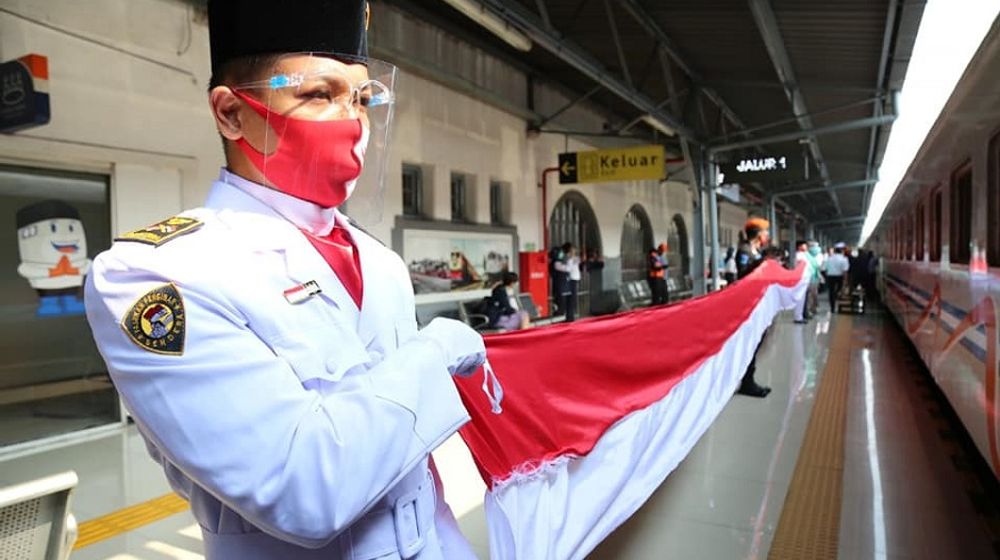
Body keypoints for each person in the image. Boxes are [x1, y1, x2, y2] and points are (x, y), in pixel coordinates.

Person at [83, 2, 485, 558]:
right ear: (230, 114)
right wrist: (434, 352)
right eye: (318, 95)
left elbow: (415, 477)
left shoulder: (378, 261)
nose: (352, 120)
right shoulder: (158, 275)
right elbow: (306, 491)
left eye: (363, 98)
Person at [734, 217, 773, 398]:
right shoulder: (744, 250)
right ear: (758, 234)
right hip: (745, 303)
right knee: (750, 342)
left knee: (756, 342)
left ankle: (749, 379)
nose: (767, 236)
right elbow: (743, 273)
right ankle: (747, 382)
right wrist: (759, 263)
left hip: (756, 301)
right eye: (765, 233)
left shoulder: (756, 250)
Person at [554, 242, 581, 321]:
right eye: (572, 249)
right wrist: (569, 259)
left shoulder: (574, 258)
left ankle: (570, 316)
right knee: (568, 300)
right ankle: (567, 317)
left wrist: (571, 258)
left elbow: (577, 261)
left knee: (572, 300)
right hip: (569, 279)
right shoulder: (563, 256)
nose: (574, 251)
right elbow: (563, 266)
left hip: (573, 279)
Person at [826, 242, 851, 311]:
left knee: (831, 292)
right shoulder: (844, 259)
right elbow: (845, 271)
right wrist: (845, 281)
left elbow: (826, 268)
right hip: (839, 277)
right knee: (838, 291)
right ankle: (838, 303)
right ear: (842, 250)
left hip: (830, 276)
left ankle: (832, 307)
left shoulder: (829, 258)